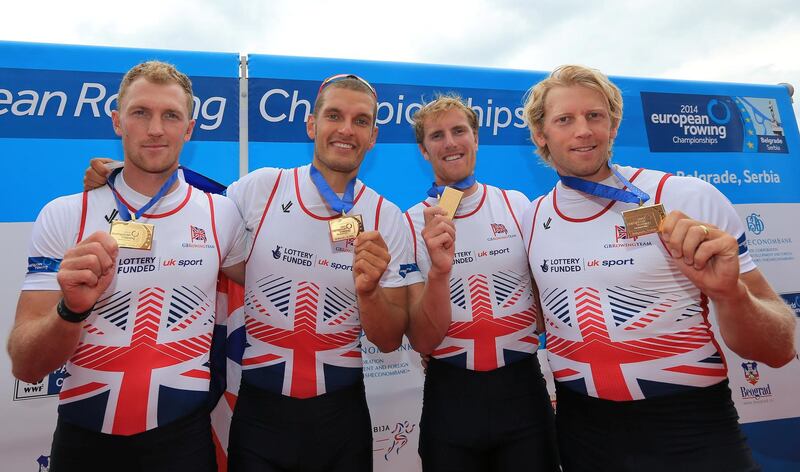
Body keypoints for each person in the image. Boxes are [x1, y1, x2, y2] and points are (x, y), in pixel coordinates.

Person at [84, 73, 420, 472]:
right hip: (261, 415)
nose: (346, 129)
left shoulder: (387, 217)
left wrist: (368, 293)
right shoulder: (262, 188)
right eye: (334, 116)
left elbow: (387, 341)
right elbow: (190, 203)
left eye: (361, 120)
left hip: (342, 419)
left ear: (373, 135)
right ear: (312, 124)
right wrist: (124, 176)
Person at [521, 64, 797, 472]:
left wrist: (729, 293)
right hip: (583, 433)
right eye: (565, 119)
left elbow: (778, 349)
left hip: (691, 429)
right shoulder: (531, 218)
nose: (583, 130)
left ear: (613, 125)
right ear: (541, 135)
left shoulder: (686, 197)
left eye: (595, 116)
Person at [8, 61, 246, 472]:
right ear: (118, 122)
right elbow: (27, 365)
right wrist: (70, 310)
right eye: (141, 113)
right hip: (84, 446)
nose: (156, 128)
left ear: (189, 129)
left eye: (171, 115)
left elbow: (270, 274)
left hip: (184, 446)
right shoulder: (65, 214)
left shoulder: (221, 213)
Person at [404, 95, 558, 471]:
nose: (451, 142)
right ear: (424, 151)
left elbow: (544, 293)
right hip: (450, 394)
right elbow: (417, 327)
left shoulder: (516, 204)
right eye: (437, 136)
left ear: (476, 138)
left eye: (460, 131)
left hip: (522, 388)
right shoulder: (409, 222)